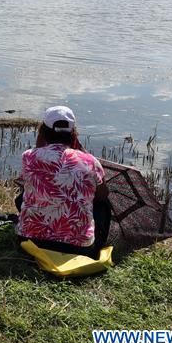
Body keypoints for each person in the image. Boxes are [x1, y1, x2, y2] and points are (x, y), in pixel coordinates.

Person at [16, 106, 110, 259]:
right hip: (79, 249)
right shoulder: (91, 162)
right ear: (74, 134)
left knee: (26, 195)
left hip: (29, 242)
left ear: (42, 132)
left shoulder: (28, 157)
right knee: (102, 204)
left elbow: (33, 175)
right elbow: (103, 195)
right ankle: (90, 238)